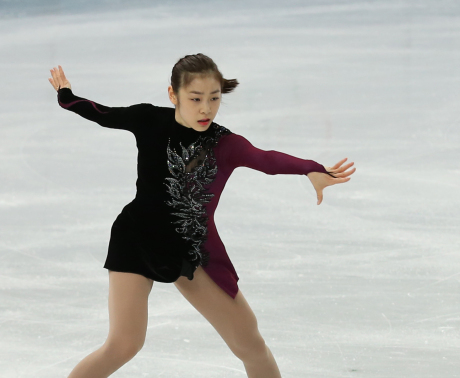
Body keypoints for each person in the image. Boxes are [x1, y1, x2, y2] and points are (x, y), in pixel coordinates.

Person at [48, 53, 355, 378]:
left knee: (250, 343)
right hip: (136, 239)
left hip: (191, 249)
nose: (206, 108)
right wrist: (65, 94)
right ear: (173, 95)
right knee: (124, 344)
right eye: (195, 99)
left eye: (214, 98)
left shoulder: (224, 143)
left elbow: (266, 159)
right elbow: (100, 113)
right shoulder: (149, 120)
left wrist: (312, 170)